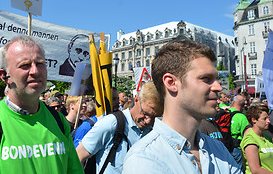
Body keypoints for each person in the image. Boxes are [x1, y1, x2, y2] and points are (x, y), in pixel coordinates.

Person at [0, 35, 83, 173]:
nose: (35, 71)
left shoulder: (58, 121)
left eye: (40, 63)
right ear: (4, 76)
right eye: (25, 65)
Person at [123, 39, 241, 174]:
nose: (218, 87)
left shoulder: (218, 149)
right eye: (206, 79)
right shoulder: (144, 159)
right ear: (171, 83)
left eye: (216, 79)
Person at [76, 81, 163, 174]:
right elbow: (78, 156)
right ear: (136, 99)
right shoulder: (111, 123)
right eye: (145, 113)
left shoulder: (155, 131)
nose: (148, 121)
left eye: (154, 117)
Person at [240, 105, 273, 173]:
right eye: (264, 119)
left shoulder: (267, 137)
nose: (268, 121)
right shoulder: (250, 140)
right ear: (254, 120)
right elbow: (255, 170)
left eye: (268, 118)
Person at [228, 94, 250, 170]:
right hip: (236, 148)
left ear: (233, 102)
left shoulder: (225, 113)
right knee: (238, 170)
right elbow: (247, 135)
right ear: (243, 105)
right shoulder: (242, 117)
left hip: (225, 146)